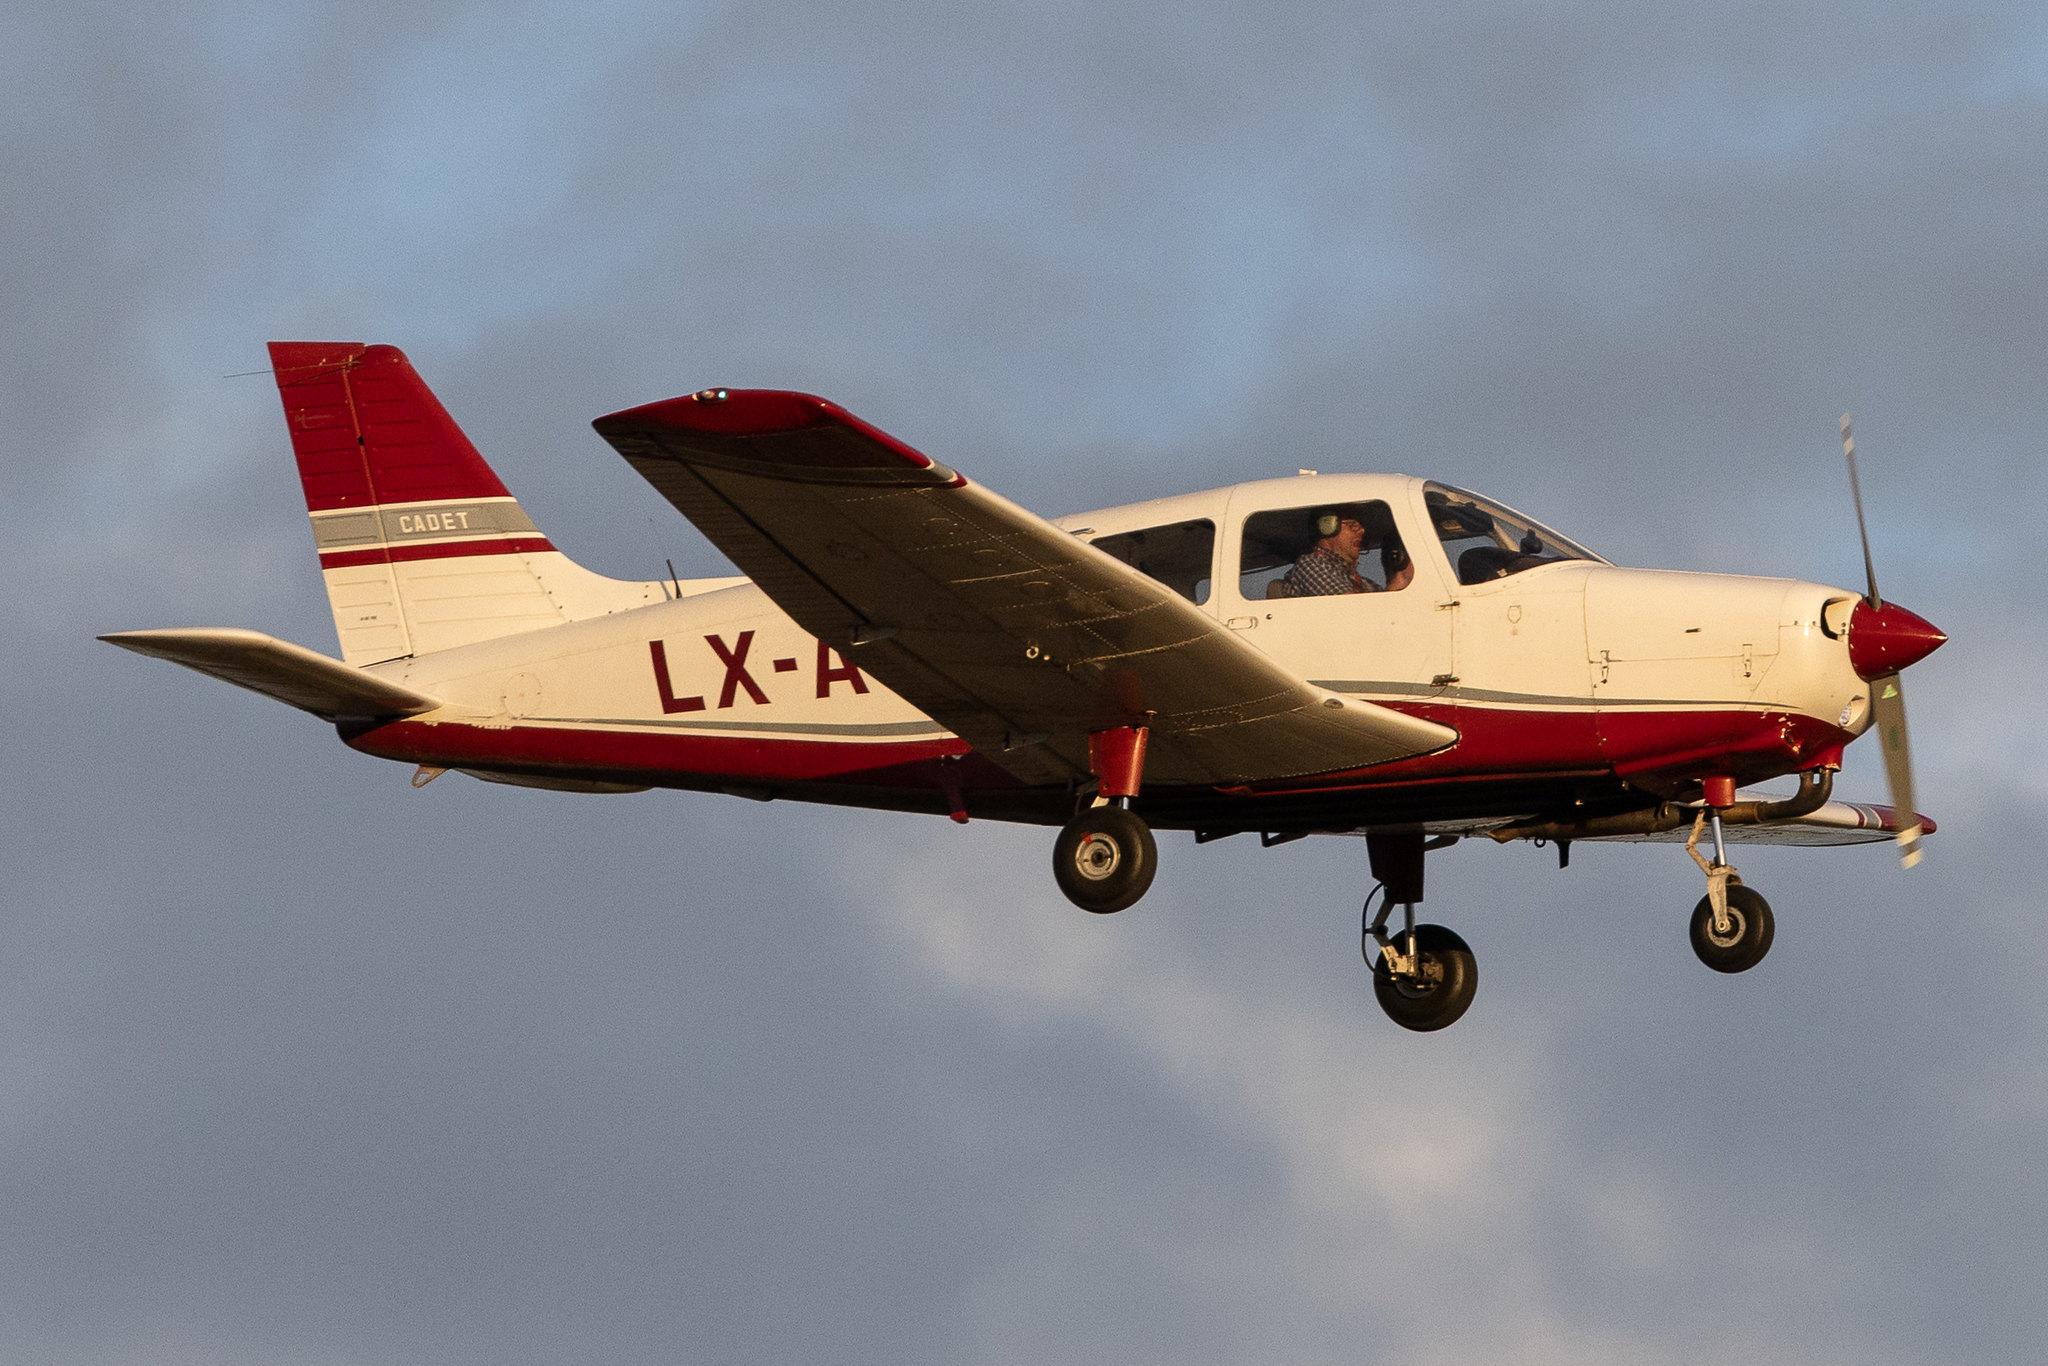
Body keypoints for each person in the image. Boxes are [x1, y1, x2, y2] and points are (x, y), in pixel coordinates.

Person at [1281, 512, 1372, 595]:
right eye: (1352, 525)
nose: (1362, 531)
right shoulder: (1310, 564)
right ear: (1328, 528)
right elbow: (1349, 604)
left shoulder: (1364, 582)